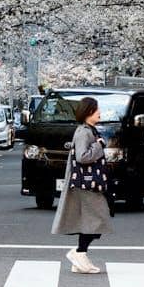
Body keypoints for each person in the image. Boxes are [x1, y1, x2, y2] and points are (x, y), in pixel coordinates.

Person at [52, 96, 113, 274]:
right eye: (96, 109)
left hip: (88, 184)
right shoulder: (84, 132)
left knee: (92, 221)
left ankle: (80, 256)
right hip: (86, 184)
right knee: (97, 219)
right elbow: (82, 157)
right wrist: (99, 145)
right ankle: (79, 253)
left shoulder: (89, 130)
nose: (100, 112)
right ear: (88, 112)